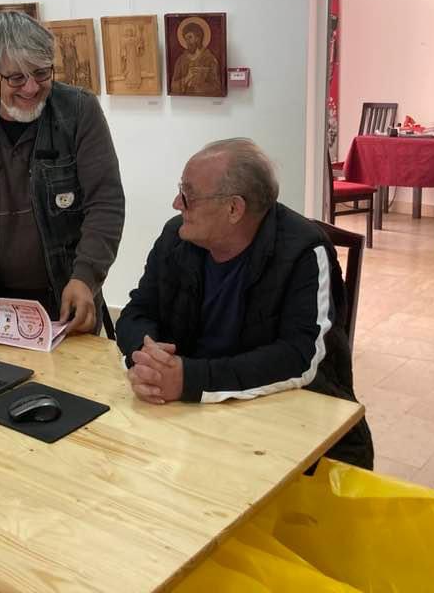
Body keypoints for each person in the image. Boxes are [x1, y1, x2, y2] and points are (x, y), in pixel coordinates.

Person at [116, 139, 373, 468]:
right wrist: (146, 357)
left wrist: (190, 379)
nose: (176, 203)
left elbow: (299, 357)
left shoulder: (304, 251)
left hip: (288, 428)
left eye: (188, 195)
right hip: (193, 421)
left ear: (234, 209)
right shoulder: (176, 237)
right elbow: (137, 311)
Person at [0, 11, 125, 334]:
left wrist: (86, 276)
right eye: (16, 78)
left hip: (65, 297)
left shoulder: (79, 112)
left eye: (42, 73)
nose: (31, 88)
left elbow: (105, 202)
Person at [170, 21, 222, 96]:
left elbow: (217, 87)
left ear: (198, 38)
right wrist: (187, 78)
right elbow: (173, 86)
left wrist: (197, 84)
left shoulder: (210, 59)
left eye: (190, 37)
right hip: (184, 100)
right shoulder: (181, 60)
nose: (187, 42)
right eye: (185, 39)